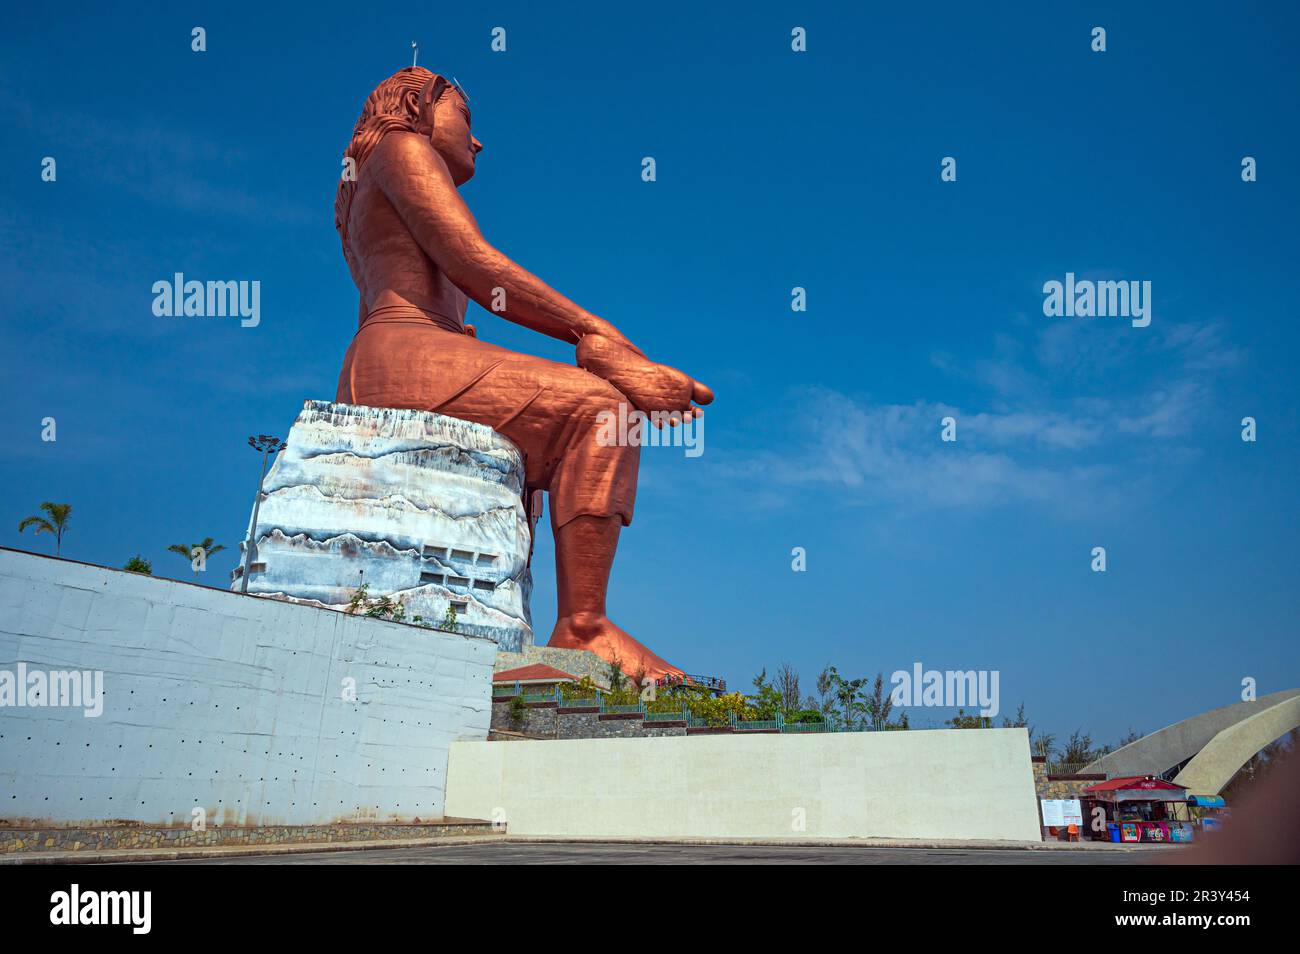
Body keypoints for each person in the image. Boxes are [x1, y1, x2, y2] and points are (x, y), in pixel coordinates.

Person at [334, 68, 712, 680]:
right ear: (418, 104)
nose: (477, 141)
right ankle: (585, 627)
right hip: (403, 353)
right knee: (604, 411)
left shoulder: (363, 179)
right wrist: (603, 343)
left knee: (573, 428)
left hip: (387, 359)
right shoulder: (401, 147)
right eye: (468, 118)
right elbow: (478, 267)